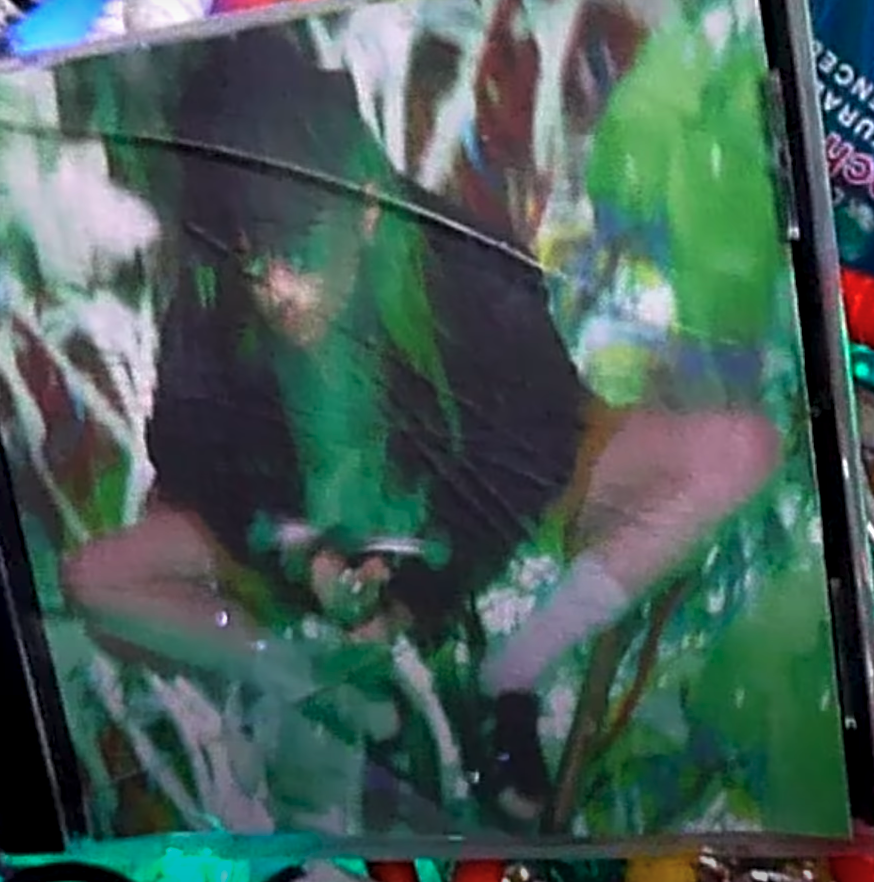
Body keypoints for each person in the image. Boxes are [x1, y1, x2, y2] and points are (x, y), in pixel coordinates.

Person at [62, 28, 781, 826]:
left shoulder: (468, 267)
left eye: (299, 252)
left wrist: (419, 588)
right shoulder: (217, 286)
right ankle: (333, 696)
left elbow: (533, 452)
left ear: (366, 208)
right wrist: (299, 557)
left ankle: (510, 679)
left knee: (739, 450)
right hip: (310, 560)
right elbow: (189, 453)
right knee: (96, 578)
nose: (275, 288)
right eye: (252, 259)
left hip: (471, 540)